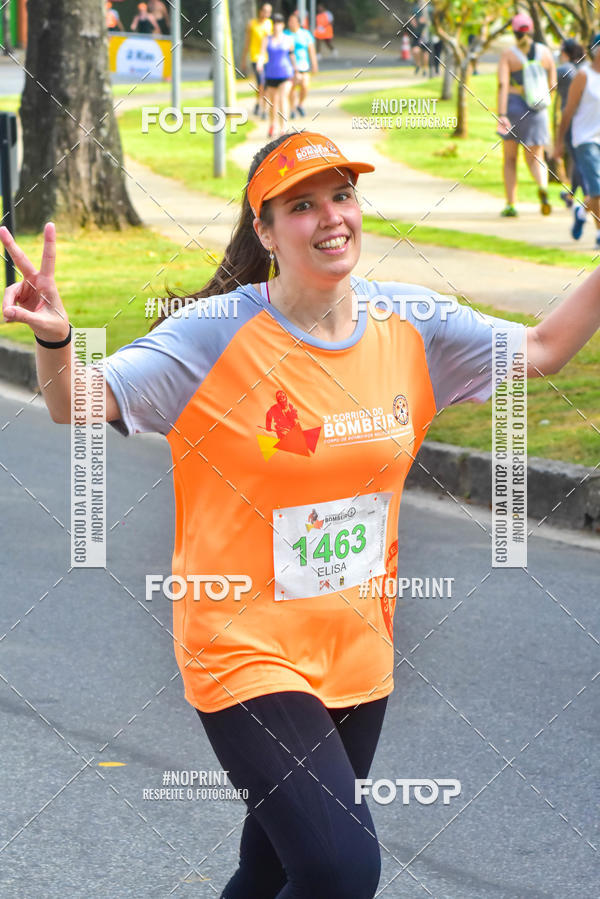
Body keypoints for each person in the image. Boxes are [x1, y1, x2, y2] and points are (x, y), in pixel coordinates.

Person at [3, 129, 600, 897]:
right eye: (302, 204)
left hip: (357, 646)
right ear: (265, 230)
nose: (331, 218)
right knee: (339, 868)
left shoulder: (413, 325)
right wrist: (56, 335)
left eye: (343, 195)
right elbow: (73, 403)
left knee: (274, 866)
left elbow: (547, 348)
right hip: (242, 644)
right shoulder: (212, 334)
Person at [496, 12, 556, 217]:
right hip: (538, 110)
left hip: (513, 108)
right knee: (536, 156)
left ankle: (511, 204)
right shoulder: (545, 53)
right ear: (530, 30)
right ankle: (543, 188)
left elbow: (503, 85)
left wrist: (502, 114)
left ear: (513, 31)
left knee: (510, 159)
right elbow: (552, 85)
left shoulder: (508, 55)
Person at [555, 33, 600, 248]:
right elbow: (567, 112)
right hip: (585, 140)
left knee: (597, 191)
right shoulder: (583, 76)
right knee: (597, 189)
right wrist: (558, 143)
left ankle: (581, 212)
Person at [554, 38, 586, 212]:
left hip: (570, 119)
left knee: (578, 158)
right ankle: (571, 194)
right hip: (588, 120)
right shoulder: (586, 68)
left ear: (565, 52)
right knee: (578, 158)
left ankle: (590, 195)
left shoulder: (564, 70)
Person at [257, 14, 296, 138]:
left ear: (282, 25)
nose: (276, 26)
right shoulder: (267, 39)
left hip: (286, 73)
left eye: (278, 23)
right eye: (274, 23)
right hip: (271, 74)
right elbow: (262, 53)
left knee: (282, 98)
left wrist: (296, 69)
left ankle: (283, 128)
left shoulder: (288, 39)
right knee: (273, 102)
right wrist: (259, 63)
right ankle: (272, 124)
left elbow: (291, 55)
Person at [241, 3, 273, 119]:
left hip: (268, 58)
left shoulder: (270, 24)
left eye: (269, 12)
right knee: (261, 83)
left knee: (265, 85)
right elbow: (247, 42)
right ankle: (260, 104)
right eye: (265, 11)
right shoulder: (252, 24)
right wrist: (244, 59)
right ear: (260, 11)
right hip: (255, 57)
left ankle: (261, 106)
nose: (266, 14)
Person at [285, 12, 318, 119]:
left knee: (305, 86)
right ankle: (292, 108)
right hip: (290, 66)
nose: (291, 23)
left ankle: (300, 104)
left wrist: (314, 64)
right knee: (292, 88)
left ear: (298, 23)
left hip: (304, 65)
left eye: (293, 21)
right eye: (289, 21)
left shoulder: (305, 34)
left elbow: (311, 50)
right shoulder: (285, 34)